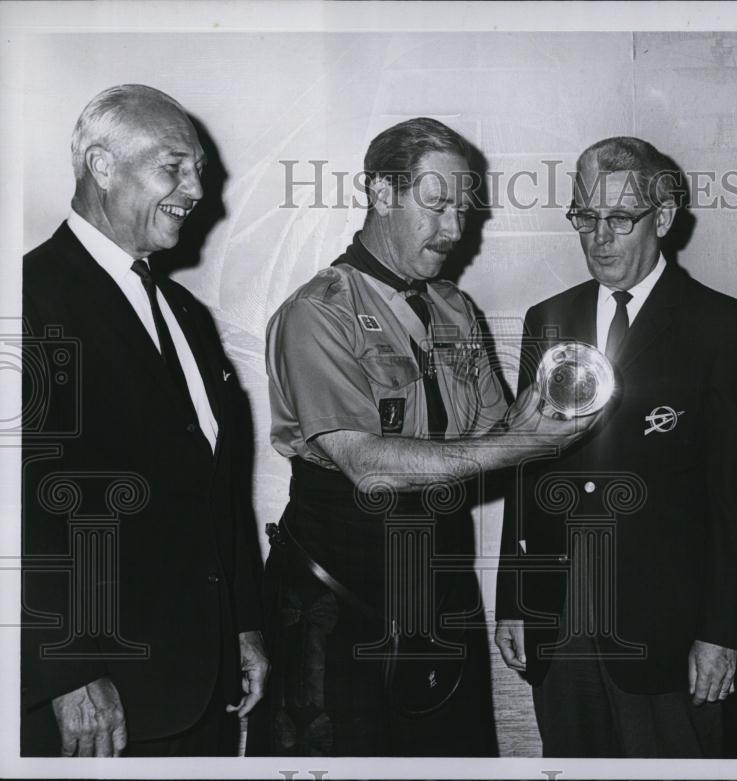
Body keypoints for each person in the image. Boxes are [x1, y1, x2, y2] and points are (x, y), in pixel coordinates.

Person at [253, 117, 597, 756]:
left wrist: (561, 401)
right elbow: (368, 467)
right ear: (382, 192)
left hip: (441, 585)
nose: (453, 229)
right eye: (436, 205)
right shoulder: (318, 312)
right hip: (342, 596)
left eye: (462, 209)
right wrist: (523, 443)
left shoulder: (453, 308)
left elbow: (495, 431)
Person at [494, 136, 737, 757]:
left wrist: (721, 633)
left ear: (664, 218)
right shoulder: (547, 319)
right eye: (585, 217)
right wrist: (515, 599)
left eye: (620, 219)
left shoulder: (728, 330)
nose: (599, 238)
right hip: (561, 622)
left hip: (672, 635)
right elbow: (524, 469)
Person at [21, 84, 268, 757]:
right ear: (102, 165)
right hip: (99, 702)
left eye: (199, 170)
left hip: (202, 687)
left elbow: (218, 490)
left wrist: (242, 625)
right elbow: (21, 510)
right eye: (173, 167)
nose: (197, 191)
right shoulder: (28, 300)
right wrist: (67, 671)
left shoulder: (186, 313)